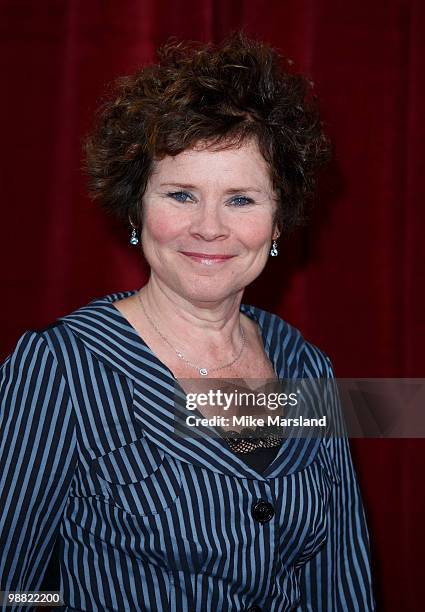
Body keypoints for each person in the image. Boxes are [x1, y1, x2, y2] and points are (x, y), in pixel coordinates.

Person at [0, 32, 375, 611]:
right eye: (180, 194)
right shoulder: (60, 368)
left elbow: (340, 584)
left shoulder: (305, 366)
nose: (209, 227)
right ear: (136, 207)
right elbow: (15, 588)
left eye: (241, 200)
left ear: (279, 222)